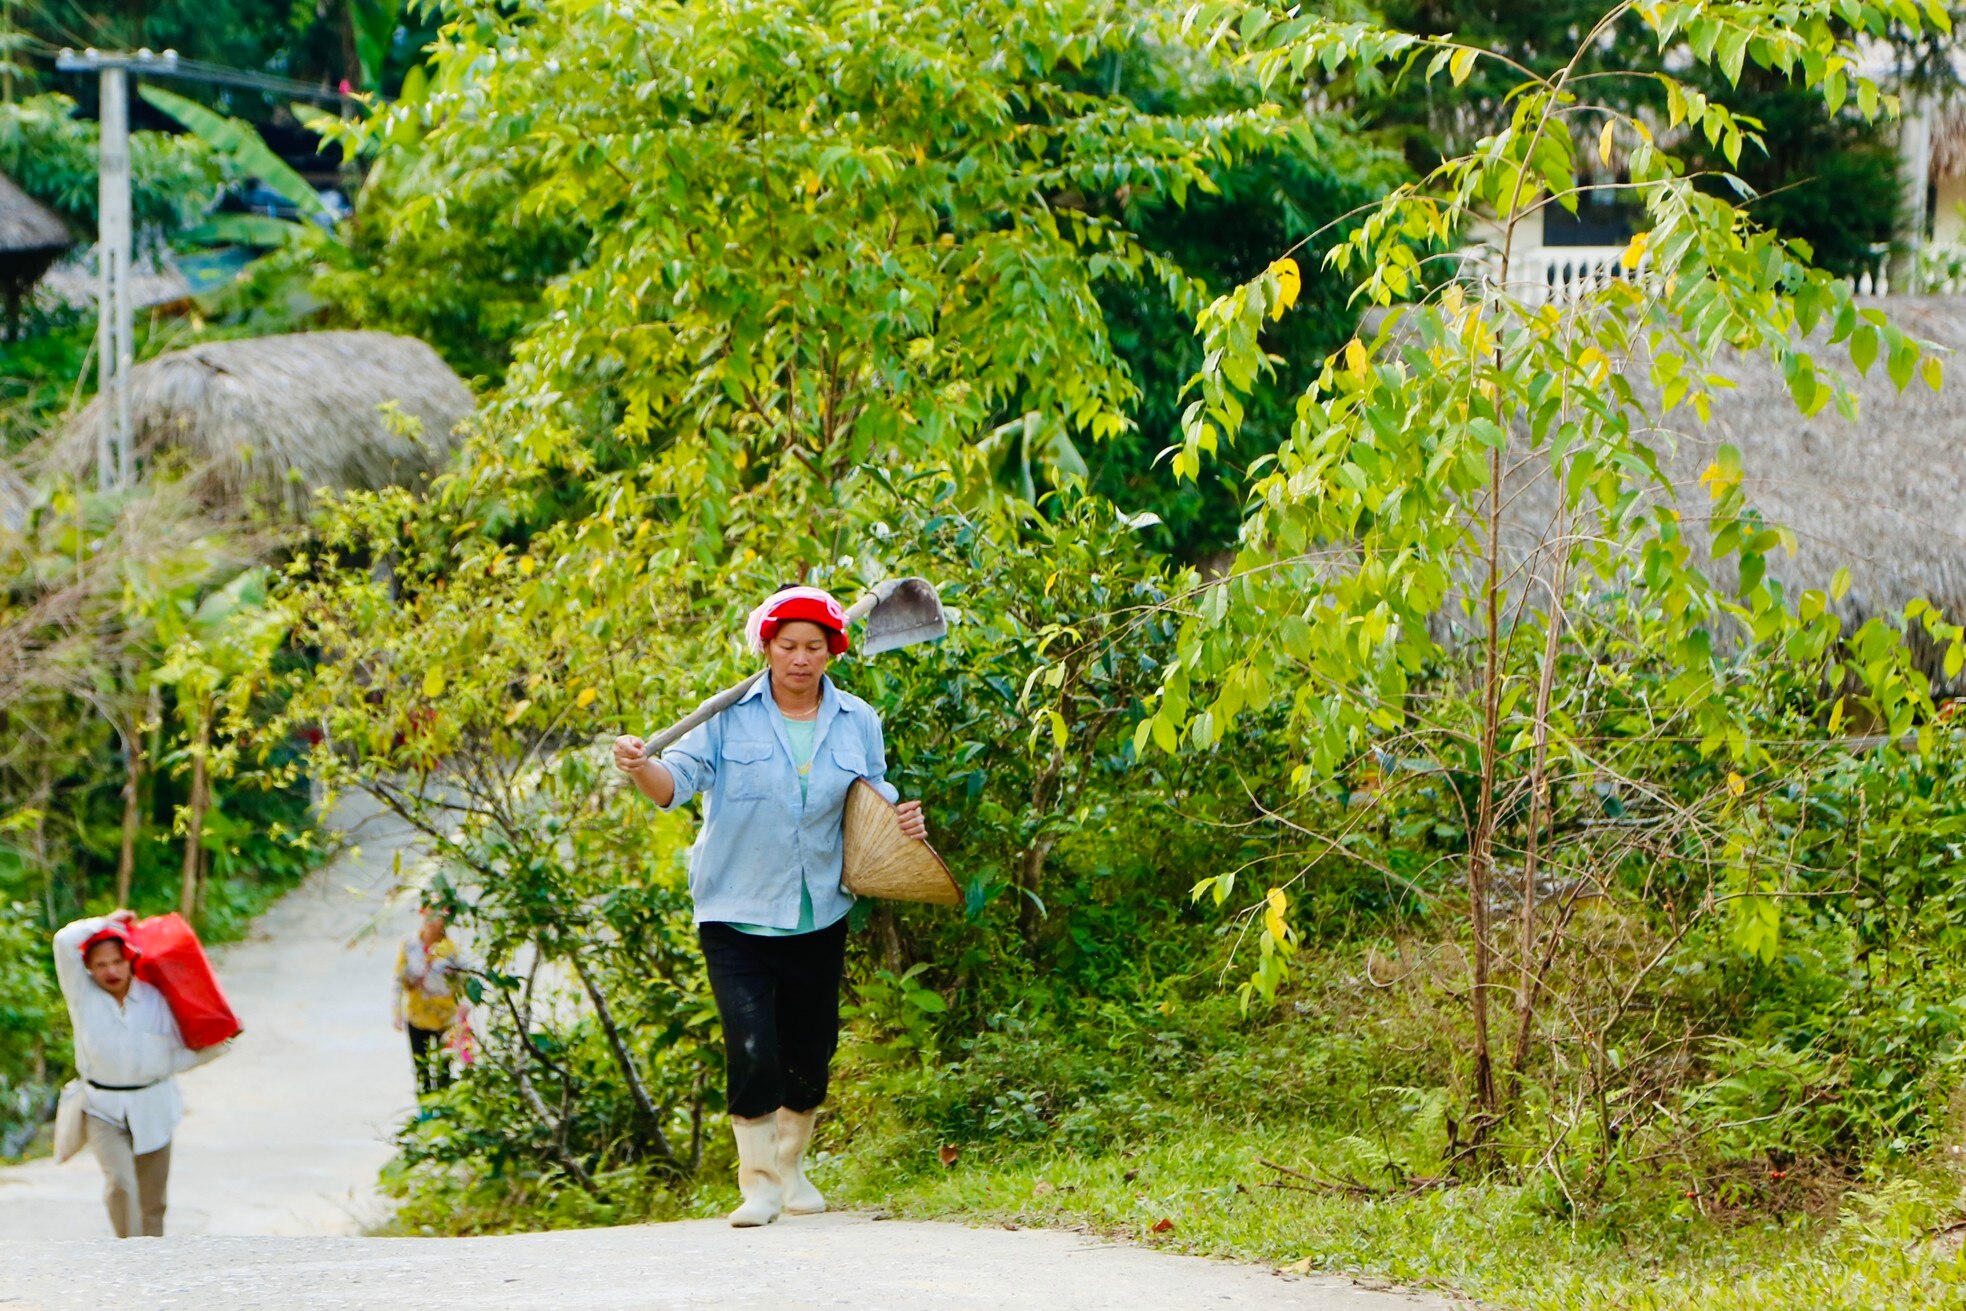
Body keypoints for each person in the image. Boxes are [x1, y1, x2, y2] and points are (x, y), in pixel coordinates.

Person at [612, 585, 928, 1227]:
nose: (801, 659)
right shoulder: (725, 716)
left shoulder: (858, 720)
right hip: (735, 910)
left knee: (811, 1054)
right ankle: (756, 1183)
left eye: (815, 646)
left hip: (820, 909)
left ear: (833, 651)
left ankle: (790, 1166)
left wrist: (902, 819)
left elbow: (872, 795)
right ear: (767, 647)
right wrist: (638, 766)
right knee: (752, 1046)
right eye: (788, 645)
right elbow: (672, 786)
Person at [51, 909, 229, 1238]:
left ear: (130, 960)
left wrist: (218, 1042)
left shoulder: (156, 999)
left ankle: (152, 1263)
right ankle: (127, 1254)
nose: (111, 971)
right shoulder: (82, 995)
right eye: (101, 964)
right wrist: (106, 921)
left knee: (152, 1200)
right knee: (120, 1184)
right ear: (89, 968)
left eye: (117, 961)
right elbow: (64, 941)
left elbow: (176, 1056)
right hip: (102, 1107)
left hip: (155, 1105)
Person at [392, 907, 462, 1095]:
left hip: (445, 1018)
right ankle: (425, 1117)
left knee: (444, 1071)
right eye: (428, 915)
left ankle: (446, 1117)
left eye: (436, 916)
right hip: (417, 1015)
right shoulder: (409, 944)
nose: (431, 921)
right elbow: (399, 978)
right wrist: (397, 1012)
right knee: (421, 1070)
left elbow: (461, 984)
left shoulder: (451, 950)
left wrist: (463, 1017)